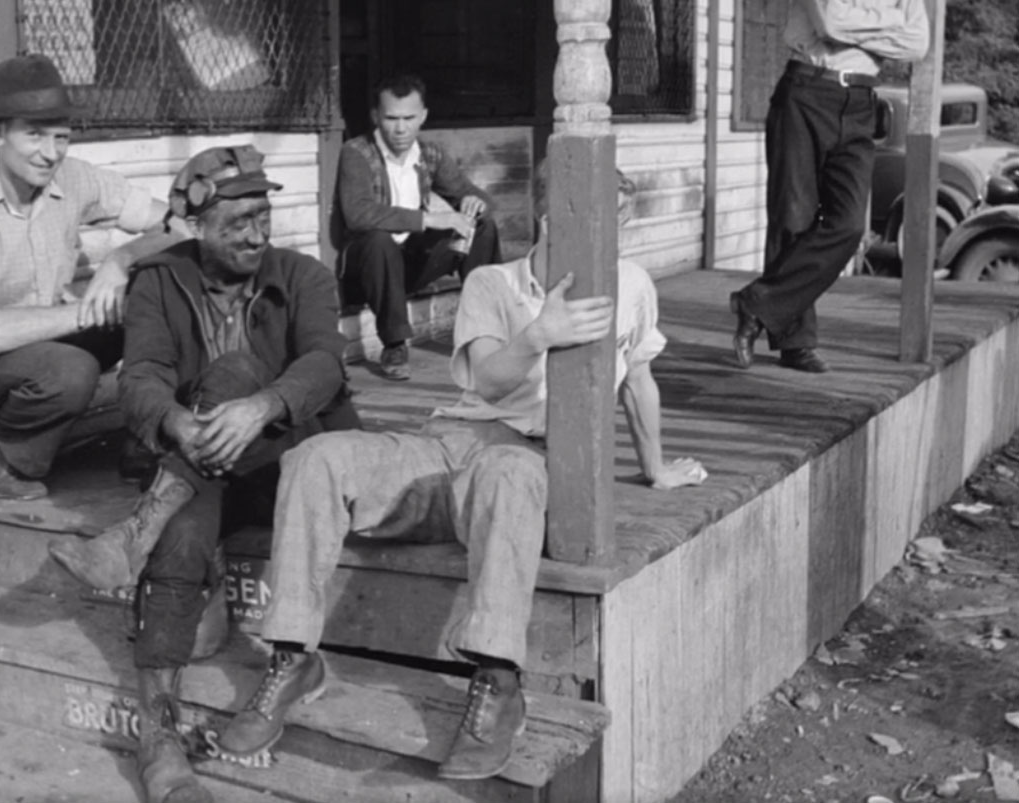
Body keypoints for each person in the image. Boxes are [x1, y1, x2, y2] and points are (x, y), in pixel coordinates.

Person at [214, 165, 707, 781]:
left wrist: (656, 469)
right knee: (317, 456)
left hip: (526, 462)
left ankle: (498, 683)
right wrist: (539, 335)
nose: (614, 236)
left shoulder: (633, 286)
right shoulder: (493, 282)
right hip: (448, 442)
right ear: (555, 218)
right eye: (600, 220)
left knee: (509, 471)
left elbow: (638, 379)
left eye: (621, 220)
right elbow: (488, 380)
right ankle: (292, 658)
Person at [50, 144, 360, 803]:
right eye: (237, 221)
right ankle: (159, 733)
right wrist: (176, 422)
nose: (256, 233)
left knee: (236, 375)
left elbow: (326, 366)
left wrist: (262, 405)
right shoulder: (160, 282)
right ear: (194, 226)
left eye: (263, 214)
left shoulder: (305, 275)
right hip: (204, 472)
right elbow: (140, 380)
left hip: (295, 464)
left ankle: (135, 530)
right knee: (185, 526)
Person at [0, 54, 178, 500]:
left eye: (61, 137)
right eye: (34, 134)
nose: (50, 152)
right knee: (71, 370)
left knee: (154, 295)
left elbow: (179, 226)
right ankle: (8, 453)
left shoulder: (74, 177)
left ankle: (147, 436)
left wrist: (122, 259)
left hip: (51, 329)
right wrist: (89, 312)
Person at [730, 0, 929, 373]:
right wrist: (888, 25)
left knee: (849, 225)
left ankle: (757, 303)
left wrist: (854, 28)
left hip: (861, 103)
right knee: (793, 218)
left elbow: (917, 43)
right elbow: (831, 23)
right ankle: (796, 344)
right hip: (806, 91)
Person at [337, 73, 502, 381]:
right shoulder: (356, 153)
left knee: (483, 227)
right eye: (391, 118)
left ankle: (485, 330)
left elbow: (476, 194)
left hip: (409, 265)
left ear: (423, 116)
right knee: (378, 239)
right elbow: (358, 214)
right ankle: (395, 344)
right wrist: (429, 219)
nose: (401, 128)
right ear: (376, 116)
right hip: (367, 270)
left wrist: (474, 204)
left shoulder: (429, 153)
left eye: (409, 118)